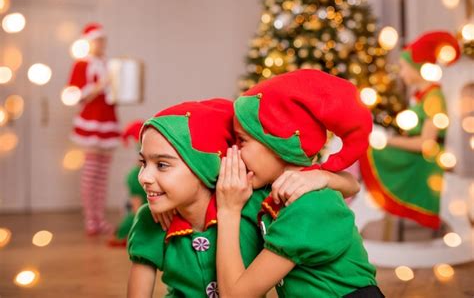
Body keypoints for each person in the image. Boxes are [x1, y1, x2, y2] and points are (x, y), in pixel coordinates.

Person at [127, 98, 360, 297]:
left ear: (205, 167)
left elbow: (349, 186)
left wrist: (320, 177)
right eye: (143, 163)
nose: (144, 177)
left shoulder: (252, 202)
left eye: (162, 165)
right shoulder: (152, 218)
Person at [216, 69, 384, 297]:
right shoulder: (293, 185)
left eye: (242, 140)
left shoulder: (308, 206)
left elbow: (235, 295)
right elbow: (351, 184)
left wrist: (228, 210)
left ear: (279, 143)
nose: (233, 151)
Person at [359, 31, 461, 229]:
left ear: (419, 68)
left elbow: (426, 143)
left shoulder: (433, 98)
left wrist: (386, 141)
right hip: (417, 155)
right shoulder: (421, 97)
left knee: (367, 149)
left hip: (425, 160)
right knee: (366, 147)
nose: (402, 73)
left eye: (404, 68)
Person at [67, 23, 121, 235]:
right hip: (92, 120)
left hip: (108, 118)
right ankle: (90, 218)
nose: (101, 44)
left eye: (103, 40)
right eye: (98, 40)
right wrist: (103, 83)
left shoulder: (108, 63)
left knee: (103, 172)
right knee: (91, 172)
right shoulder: (82, 65)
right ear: (89, 42)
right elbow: (78, 94)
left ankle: (99, 218)